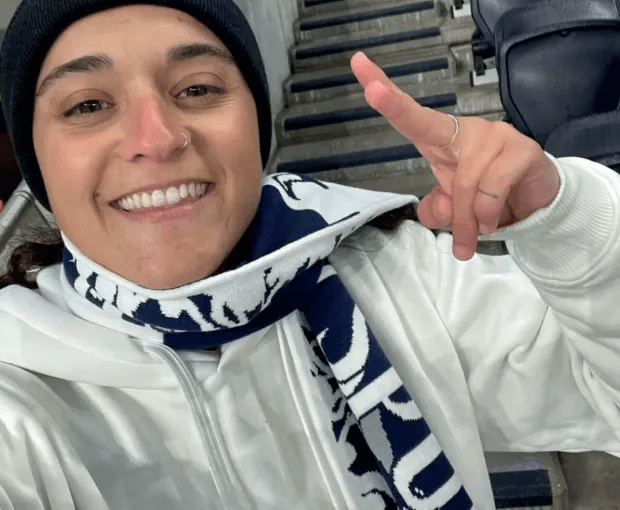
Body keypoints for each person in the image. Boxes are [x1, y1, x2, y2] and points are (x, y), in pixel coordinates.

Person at [0, 0, 619, 509]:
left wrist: (570, 227)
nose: (158, 138)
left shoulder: (394, 272)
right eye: (87, 105)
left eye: (197, 87)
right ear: (38, 162)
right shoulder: (21, 396)